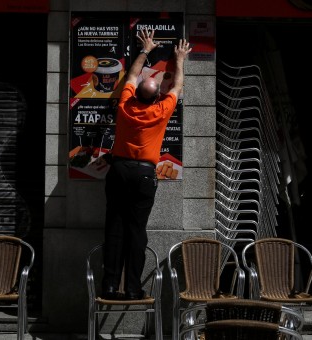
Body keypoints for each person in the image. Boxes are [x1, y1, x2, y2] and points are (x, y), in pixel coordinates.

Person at [101, 28, 192, 300]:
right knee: (136, 230)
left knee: (114, 226)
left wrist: (145, 49)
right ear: (155, 98)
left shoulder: (125, 106)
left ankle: (108, 286)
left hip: (118, 169)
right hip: (143, 175)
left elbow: (130, 75)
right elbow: (176, 86)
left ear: (135, 93)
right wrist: (180, 59)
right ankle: (132, 288)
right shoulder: (161, 110)